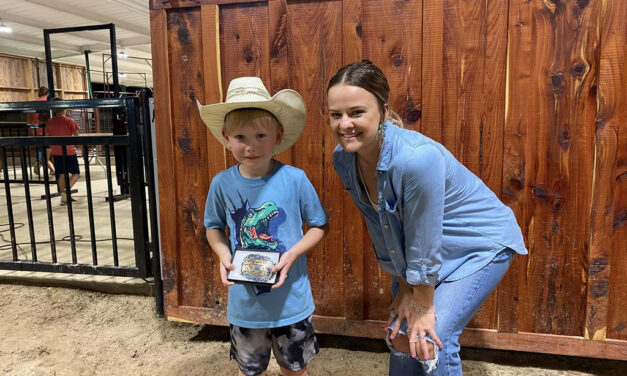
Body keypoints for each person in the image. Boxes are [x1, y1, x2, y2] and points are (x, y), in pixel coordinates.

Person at [327, 60, 527, 375]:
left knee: (430, 337)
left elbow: (423, 236)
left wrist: (422, 304)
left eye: (356, 112)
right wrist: (405, 289)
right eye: (335, 115)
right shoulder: (344, 159)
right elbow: (381, 228)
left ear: (382, 110)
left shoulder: (417, 159)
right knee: (403, 337)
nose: (344, 124)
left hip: (479, 244)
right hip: (427, 252)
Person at [198, 77, 329, 376]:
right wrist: (222, 253)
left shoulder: (295, 179)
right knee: (251, 370)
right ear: (226, 138)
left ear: (278, 136)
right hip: (245, 305)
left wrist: (293, 253)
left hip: (291, 301)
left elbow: (319, 225)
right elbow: (213, 227)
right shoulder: (221, 183)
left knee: (295, 369)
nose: (250, 146)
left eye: (260, 135)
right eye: (240, 137)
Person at [46, 97, 80, 205]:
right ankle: (66, 191)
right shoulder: (70, 121)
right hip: (69, 151)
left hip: (56, 152)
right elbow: (77, 136)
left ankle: (63, 197)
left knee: (61, 174)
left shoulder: (50, 122)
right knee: (75, 173)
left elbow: (47, 137)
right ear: (65, 107)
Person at [29, 86, 55, 175]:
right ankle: (41, 162)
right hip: (47, 129)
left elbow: (29, 117)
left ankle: (42, 162)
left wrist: (31, 128)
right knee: (49, 149)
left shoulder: (33, 103)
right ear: (47, 94)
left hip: (36, 128)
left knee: (39, 148)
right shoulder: (48, 103)